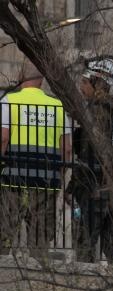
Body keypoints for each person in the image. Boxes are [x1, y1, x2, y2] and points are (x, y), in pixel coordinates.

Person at [0, 63, 72, 260]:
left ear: (21, 77)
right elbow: (66, 148)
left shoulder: (9, 101)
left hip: (14, 179)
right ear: (41, 81)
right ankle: (41, 273)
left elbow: (3, 139)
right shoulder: (57, 106)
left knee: (4, 234)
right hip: (46, 181)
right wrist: (59, 175)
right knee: (40, 239)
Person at [67, 58, 113, 263]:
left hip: (92, 186)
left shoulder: (94, 111)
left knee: (85, 243)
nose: (81, 86)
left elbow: (87, 153)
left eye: (85, 82)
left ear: (97, 83)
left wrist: (73, 186)